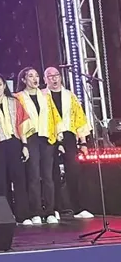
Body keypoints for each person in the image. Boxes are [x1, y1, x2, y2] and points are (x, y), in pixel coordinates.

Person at [43, 67, 93, 219]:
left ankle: (78, 208)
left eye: (56, 75)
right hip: (50, 136)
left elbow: (79, 118)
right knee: (52, 173)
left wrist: (83, 142)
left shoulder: (69, 96)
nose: (54, 78)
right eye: (50, 76)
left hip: (69, 135)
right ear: (45, 79)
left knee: (73, 171)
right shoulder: (42, 95)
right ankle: (56, 208)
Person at [15, 67, 62, 225]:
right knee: (34, 176)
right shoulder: (19, 97)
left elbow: (54, 116)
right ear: (23, 80)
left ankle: (50, 211)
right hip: (30, 137)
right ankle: (36, 211)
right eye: (30, 76)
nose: (35, 79)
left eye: (36, 75)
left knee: (48, 176)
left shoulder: (45, 96)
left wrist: (59, 136)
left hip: (46, 136)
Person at [0, 74, 31, 225]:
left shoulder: (14, 102)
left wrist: (25, 145)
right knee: (1, 182)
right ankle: (6, 216)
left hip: (14, 143)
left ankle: (23, 215)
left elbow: (22, 125)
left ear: (4, 86)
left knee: (19, 180)